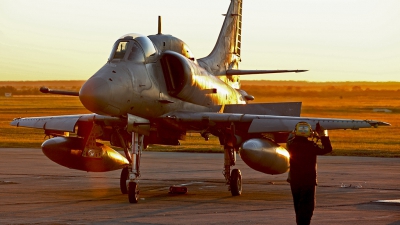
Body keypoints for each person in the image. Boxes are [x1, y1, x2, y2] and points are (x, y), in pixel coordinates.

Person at [286, 122, 332, 225]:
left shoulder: (292, 145)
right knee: (307, 208)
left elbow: (289, 140)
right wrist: (323, 136)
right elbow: (328, 149)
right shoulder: (311, 146)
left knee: (298, 207)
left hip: (294, 181)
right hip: (308, 181)